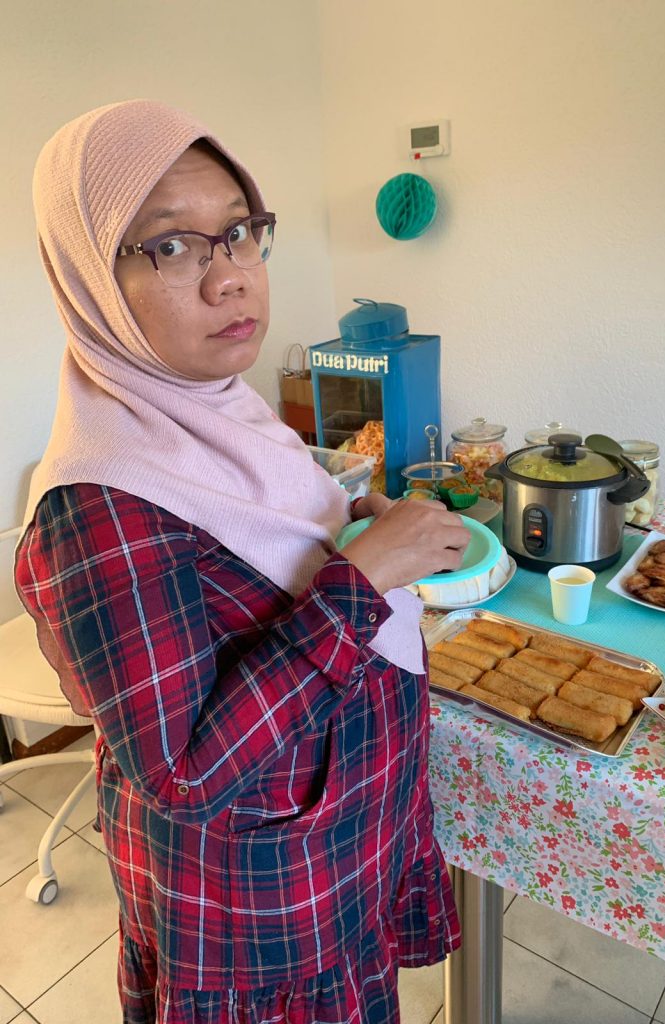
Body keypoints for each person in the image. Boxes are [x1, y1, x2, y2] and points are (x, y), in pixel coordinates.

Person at [15, 99, 469, 1024]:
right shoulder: (98, 506)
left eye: (238, 232)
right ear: (89, 278)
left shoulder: (223, 408)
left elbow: (270, 562)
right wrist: (363, 578)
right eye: (170, 246)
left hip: (333, 857)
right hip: (258, 920)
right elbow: (182, 772)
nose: (231, 278)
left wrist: (354, 531)